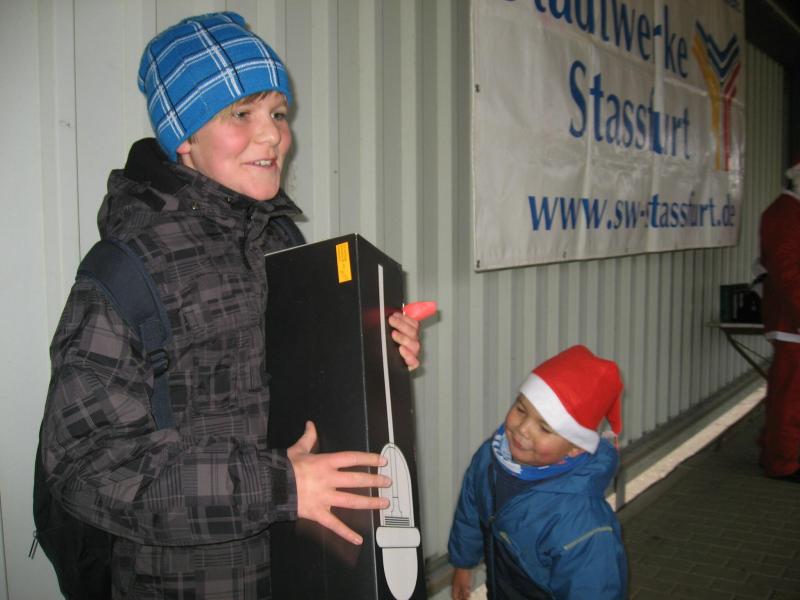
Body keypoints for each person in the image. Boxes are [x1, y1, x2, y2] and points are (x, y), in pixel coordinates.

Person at [38, 12, 425, 599]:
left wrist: (377, 352)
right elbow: (87, 466)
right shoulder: (125, 271)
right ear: (184, 139)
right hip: (186, 583)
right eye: (241, 114)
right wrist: (280, 487)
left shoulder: (280, 241)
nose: (271, 136)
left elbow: (306, 386)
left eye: (278, 114)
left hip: (301, 567)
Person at [448, 345, 628, 600]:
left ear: (575, 447)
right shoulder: (489, 459)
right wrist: (463, 565)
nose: (523, 429)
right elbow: (470, 511)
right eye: (521, 410)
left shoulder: (583, 524)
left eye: (544, 428)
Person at [758, 158, 800, 482]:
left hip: (791, 319)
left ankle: (778, 453)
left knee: (786, 395)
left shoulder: (789, 212)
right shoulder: (785, 214)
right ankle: (783, 463)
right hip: (791, 321)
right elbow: (788, 273)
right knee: (790, 398)